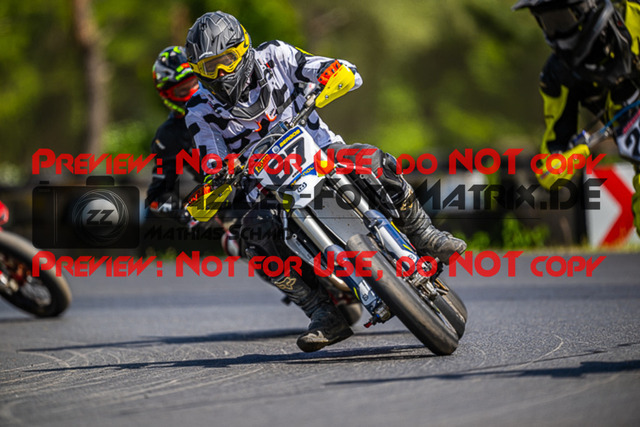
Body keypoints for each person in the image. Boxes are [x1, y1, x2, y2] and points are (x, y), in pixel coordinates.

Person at [184, 11, 466, 352]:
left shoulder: (275, 55)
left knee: (374, 160)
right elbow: (211, 159)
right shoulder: (199, 108)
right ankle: (321, 311)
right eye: (209, 67)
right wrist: (220, 170)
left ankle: (425, 234)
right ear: (198, 71)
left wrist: (331, 73)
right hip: (266, 187)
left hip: (322, 150)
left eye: (227, 60)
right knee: (253, 235)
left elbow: (323, 67)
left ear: (243, 49)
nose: (221, 73)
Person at [513, 0, 640, 237]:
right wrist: (574, 155)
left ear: (589, 6)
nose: (557, 32)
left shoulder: (635, 15)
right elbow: (549, 169)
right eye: (548, 22)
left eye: (562, 19)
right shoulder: (557, 75)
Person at [146, 46, 202, 216]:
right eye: (184, 90)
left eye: (196, 83)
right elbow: (157, 195)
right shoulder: (169, 135)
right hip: (230, 201)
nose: (194, 93)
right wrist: (186, 217)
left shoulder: (229, 101)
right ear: (168, 95)